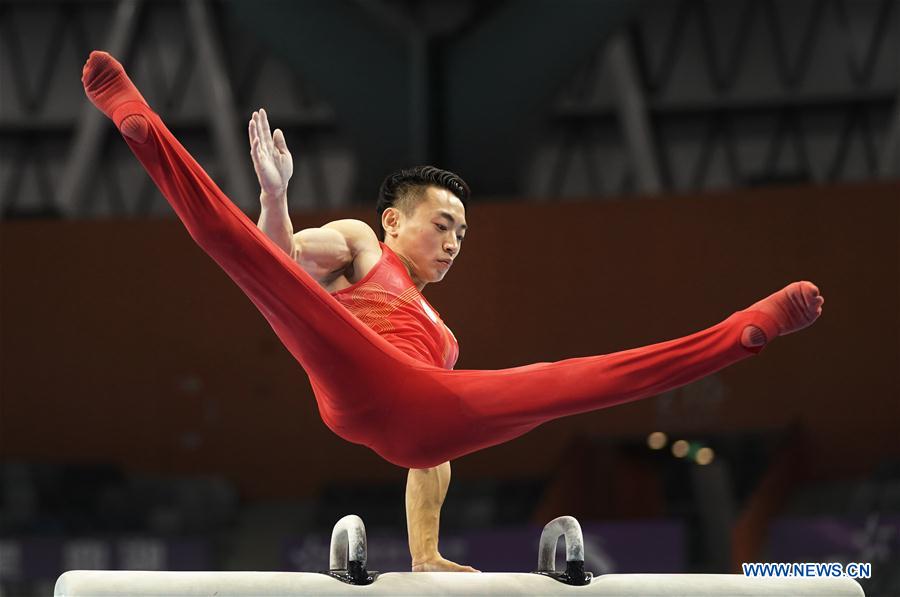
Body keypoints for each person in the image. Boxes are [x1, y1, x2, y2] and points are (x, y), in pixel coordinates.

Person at [81, 51, 824, 574]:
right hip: (348, 363)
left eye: (464, 232)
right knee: (246, 254)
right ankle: (143, 126)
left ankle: (744, 332)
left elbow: (429, 455)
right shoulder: (360, 243)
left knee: (578, 381)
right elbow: (282, 269)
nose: (455, 241)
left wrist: (426, 555)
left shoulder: (445, 336)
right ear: (395, 221)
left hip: (414, 413)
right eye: (443, 224)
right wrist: (275, 198)